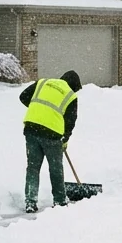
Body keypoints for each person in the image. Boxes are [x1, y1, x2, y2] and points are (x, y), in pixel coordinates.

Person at [18, 70, 82, 213]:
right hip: (52, 134)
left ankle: (30, 201)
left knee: (33, 167)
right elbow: (70, 121)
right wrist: (65, 139)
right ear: (73, 85)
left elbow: (23, 97)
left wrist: (39, 110)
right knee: (55, 169)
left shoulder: (43, 82)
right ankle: (59, 201)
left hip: (31, 128)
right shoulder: (70, 95)